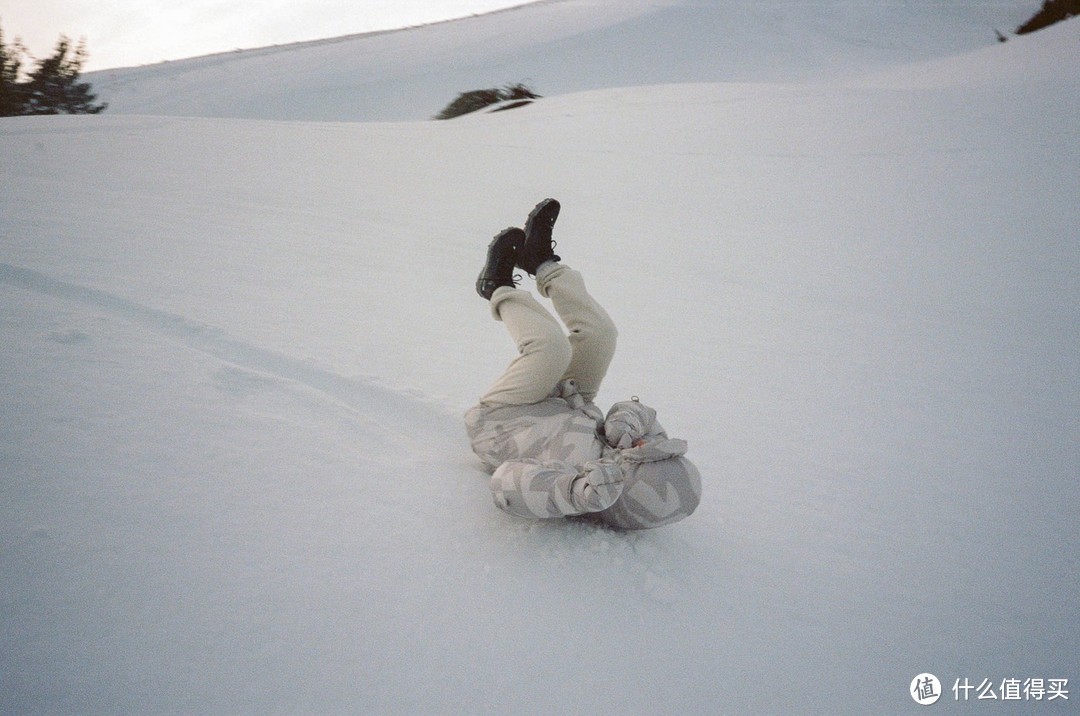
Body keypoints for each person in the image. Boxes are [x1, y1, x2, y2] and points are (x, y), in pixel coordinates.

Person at [465, 199, 701, 529]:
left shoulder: (576, 483)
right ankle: (543, 263)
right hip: (568, 401)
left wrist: (574, 492)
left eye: (641, 455)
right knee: (602, 335)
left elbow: (506, 484)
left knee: (551, 349)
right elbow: (641, 414)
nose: (646, 444)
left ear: (626, 478)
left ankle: (497, 286)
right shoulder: (647, 447)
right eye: (657, 448)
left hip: (506, 418)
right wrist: (627, 422)